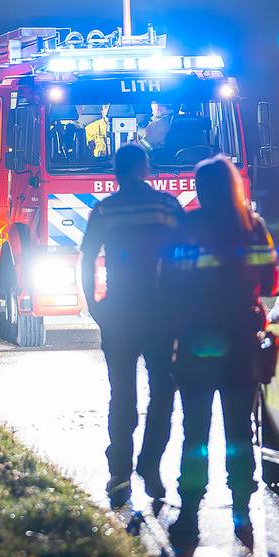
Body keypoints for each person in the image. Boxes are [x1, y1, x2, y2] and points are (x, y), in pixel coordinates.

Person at [163, 155, 278, 545]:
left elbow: (168, 283)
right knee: (239, 431)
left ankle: (189, 514)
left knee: (194, 431)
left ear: (200, 188)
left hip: (196, 341)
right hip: (241, 342)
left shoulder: (187, 224)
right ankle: (242, 511)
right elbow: (270, 281)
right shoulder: (253, 226)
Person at [80, 144, 185, 507]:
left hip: (119, 312)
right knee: (163, 392)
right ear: (145, 168)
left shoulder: (105, 210)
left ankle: (119, 471)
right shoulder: (167, 207)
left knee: (121, 392)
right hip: (162, 313)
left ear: (115, 171)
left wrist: (95, 305)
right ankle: (150, 465)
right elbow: (186, 255)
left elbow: (87, 259)